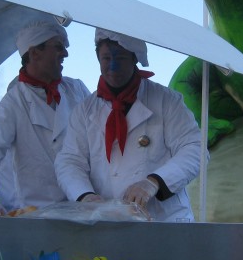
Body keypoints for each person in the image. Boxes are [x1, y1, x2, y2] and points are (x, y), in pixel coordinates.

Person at [55, 28, 202, 222]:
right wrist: (85, 196)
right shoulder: (84, 110)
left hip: (163, 221)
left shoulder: (167, 101)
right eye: (106, 58)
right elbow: (70, 161)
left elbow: (195, 149)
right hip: (107, 221)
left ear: (135, 59)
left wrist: (154, 182)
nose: (113, 67)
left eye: (121, 58)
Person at [0, 19, 90, 210]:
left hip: (78, 206)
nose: (65, 53)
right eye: (58, 47)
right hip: (32, 214)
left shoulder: (77, 89)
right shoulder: (11, 105)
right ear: (34, 53)